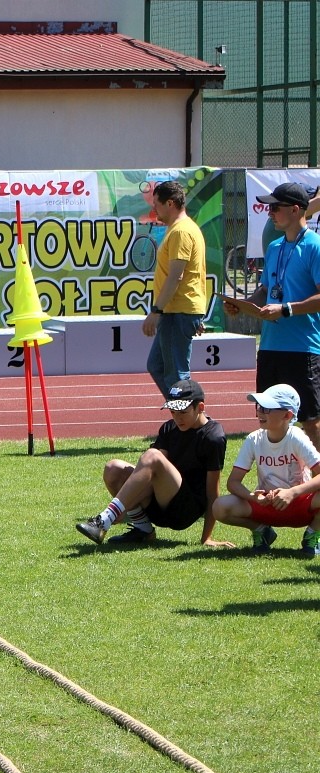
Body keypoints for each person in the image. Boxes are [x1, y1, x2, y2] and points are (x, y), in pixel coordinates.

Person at [76, 379, 231, 547]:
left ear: (200, 407)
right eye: (173, 412)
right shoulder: (169, 428)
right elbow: (147, 473)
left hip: (184, 511)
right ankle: (143, 530)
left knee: (153, 455)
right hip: (157, 506)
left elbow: (212, 491)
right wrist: (127, 501)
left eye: (183, 412)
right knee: (113, 468)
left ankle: (103, 520)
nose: (177, 418)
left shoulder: (213, 436)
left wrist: (206, 538)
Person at [224, 181, 320, 450]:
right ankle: (279, 480)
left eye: (276, 207)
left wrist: (286, 309)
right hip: (270, 346)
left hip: (303, 347)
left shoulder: (315, 246)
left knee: (310, 421)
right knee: (269, 419)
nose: (270, 212)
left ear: (296, 210)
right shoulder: (276, 247)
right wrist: (243, 304)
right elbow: (266, 291)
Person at [213, 384, 320, 556]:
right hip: (266, 505)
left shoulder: (296, 437)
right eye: (259, 407)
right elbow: (233, 482)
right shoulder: (254, 439)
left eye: (267, 408)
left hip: (300, 504)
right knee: (220, 507)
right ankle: (262, 531)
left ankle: (313, 534)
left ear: (287, 415)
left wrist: (292, 493)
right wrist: (253, 497)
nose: (260, 412)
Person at [144, 180, 207, 400]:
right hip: (179, 309)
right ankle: (183, 416)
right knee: (157, 365)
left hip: (176, 310)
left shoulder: (181, 231)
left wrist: (156, 311)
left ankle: (192, 423)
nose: (154, 210)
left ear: (170, 203)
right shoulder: (180, 229)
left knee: (176, 375)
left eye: (157, 204)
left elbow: (176, 276)